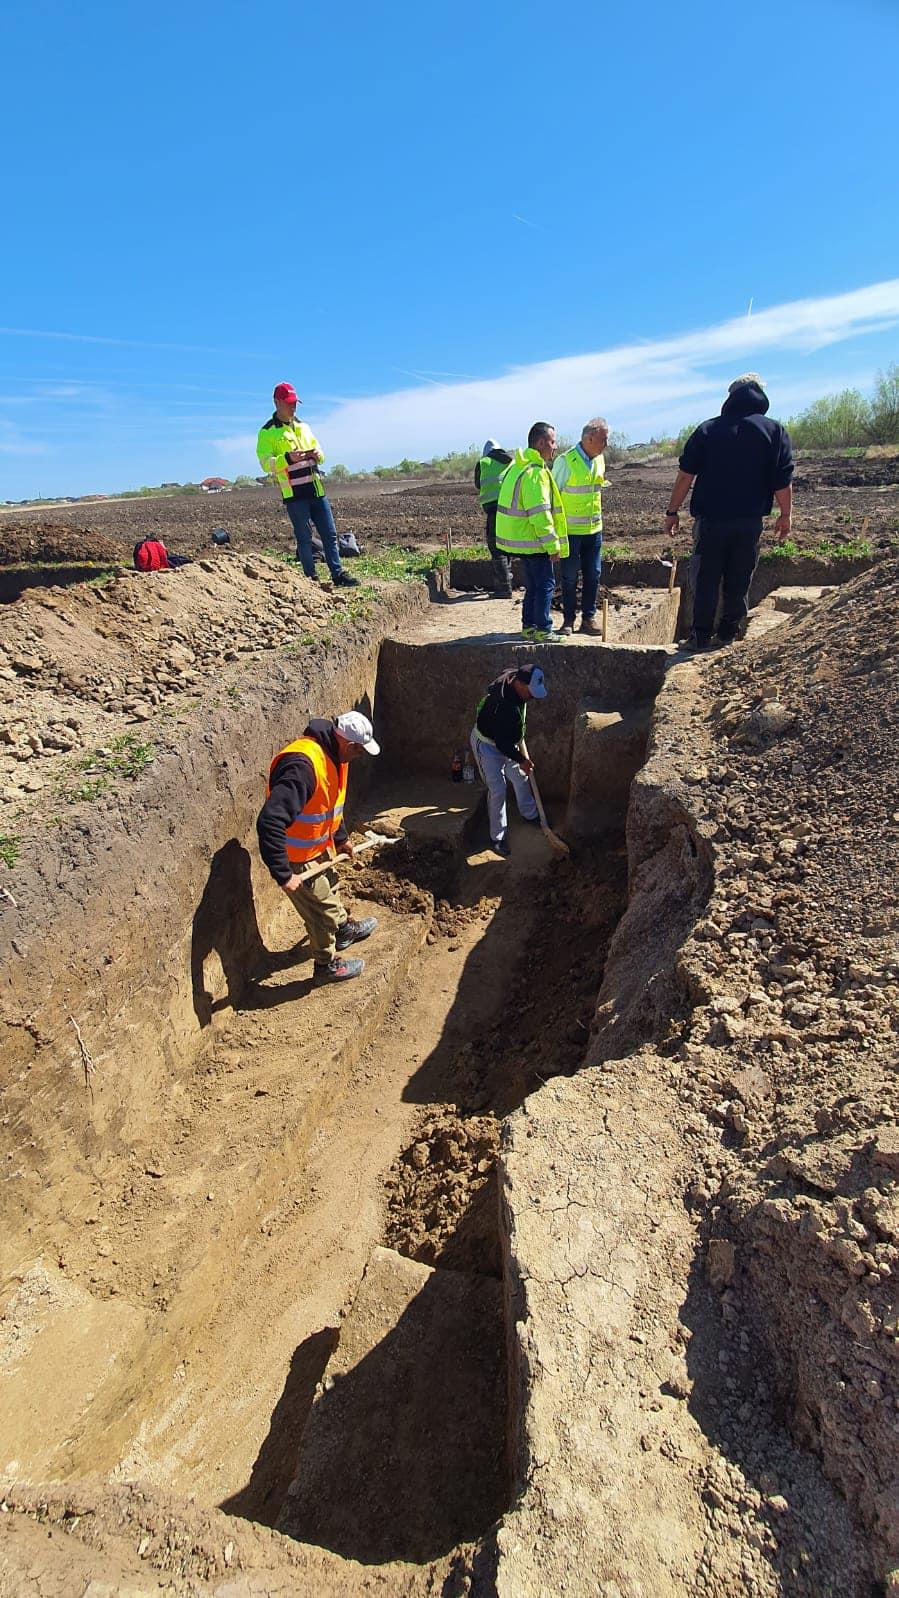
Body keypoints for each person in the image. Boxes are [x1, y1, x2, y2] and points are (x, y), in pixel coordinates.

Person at [663, 374, 794, 650]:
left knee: (705, 578)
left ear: (730, 396)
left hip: (711, 521)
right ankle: (727, 635)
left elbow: (686, 475)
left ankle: (699, 636)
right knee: (740, 576)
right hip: (749, 522)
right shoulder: (774, 432)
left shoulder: (708, 430)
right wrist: (785, 514)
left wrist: (672, 511)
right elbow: (782, 479)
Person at [257, 711, 379, 984]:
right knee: (319, 914)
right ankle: (326, 966)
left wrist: (341, 838)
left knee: (331, 889)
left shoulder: (335, 757)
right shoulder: (303, 767)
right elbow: (270, 821)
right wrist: (283, 873)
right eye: (359, 753)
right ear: (350, 745)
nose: (359, 758)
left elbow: (329, 804)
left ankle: (344, 929)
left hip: (318, 848)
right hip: (297, 858)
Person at [256, 382, 359, 588]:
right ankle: (311, 579)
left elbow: (321, 453)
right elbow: (266, 464)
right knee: (304, 538)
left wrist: (317, 454)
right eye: (289, 403)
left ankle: (337, 574)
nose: (293, 407)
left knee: (329, 534)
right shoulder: (267, 433)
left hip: (316, 489)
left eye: (295, 403)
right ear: (277, 403)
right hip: (295, 494)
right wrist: (287, 458)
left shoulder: (304, 427)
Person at [495, 423, 568, 641]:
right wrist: (553, 545)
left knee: (533, 586)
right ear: (540, 443)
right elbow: (540, 515)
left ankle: (529, 627)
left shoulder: (519, 466)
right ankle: (544, 630)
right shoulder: (535, 473)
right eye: (552, 441)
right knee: (546, 585)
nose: (555, 447)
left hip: (521, 541)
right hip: (533, 540)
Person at [470, 664, 547, 857]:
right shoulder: (504, 706)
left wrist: (520, 759)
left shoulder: (514, 678)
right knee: (498, 790)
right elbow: (502, 744)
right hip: (488, 745)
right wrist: (522, 759)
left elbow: (507, 670)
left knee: (521, 778)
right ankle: (498, 838)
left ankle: (530, 814)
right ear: (520, 684)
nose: (532, 697)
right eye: (530, 692)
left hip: (509, 740)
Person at [552, 418, 609, 636]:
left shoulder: (600, 460)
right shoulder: (566, 462)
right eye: (603, 439)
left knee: (593, 574)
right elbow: (553, 496)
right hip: (570, 533)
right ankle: (568, 621)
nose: (606, 444)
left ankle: (588, 619)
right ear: (589, 438)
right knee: (569, 577)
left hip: (594, 532)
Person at [474, 439, 513, 597]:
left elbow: (478, 484)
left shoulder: (484, 463)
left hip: (494, 510)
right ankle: (507, 582)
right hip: (511, 510)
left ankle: (504, 588)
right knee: (507, 546)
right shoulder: (511, 461)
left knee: (496, 548)